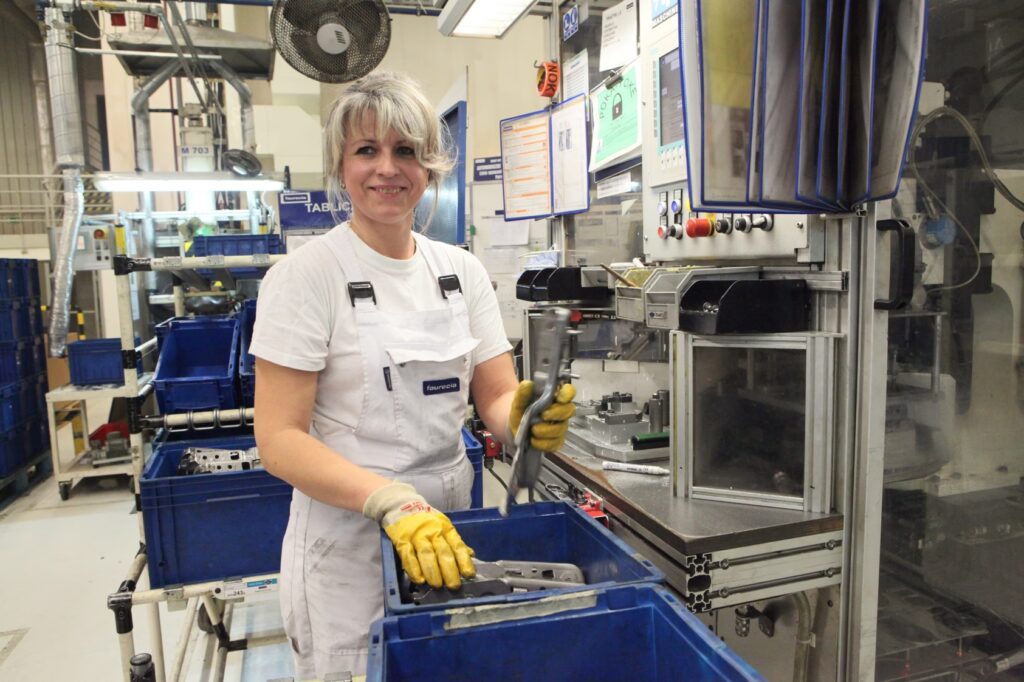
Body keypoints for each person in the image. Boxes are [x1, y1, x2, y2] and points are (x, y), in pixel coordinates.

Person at [249, 71, 576, 679]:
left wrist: (524, 419)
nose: (387, 168)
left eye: (405, 151)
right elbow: (278, 438)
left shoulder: (461, 272)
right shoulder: (305, 277)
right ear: (340, 164)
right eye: (366, 150)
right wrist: (391, 501)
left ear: (429, 166)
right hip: (348, 553)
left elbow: (495, 396)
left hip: (449, 539)